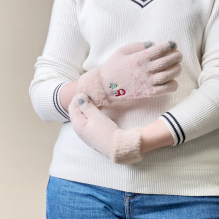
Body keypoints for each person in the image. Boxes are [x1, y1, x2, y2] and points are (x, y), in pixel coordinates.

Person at [29, 0, 219, 218]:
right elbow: (42, 95)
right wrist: (103, 84)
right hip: (81, 187)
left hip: (187, 193)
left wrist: (125, 144)